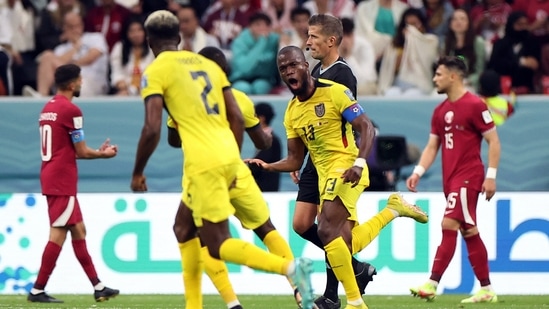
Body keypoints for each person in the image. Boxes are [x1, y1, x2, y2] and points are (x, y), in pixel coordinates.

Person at [129, 10, 314, 309]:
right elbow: (238, 118)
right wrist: (234, 155)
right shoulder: (207, 66)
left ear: (149, 41)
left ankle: (291, 269)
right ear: (179, 38)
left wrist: (138, 171)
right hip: (232, 159)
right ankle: (197, 305)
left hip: (203, 165)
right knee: (185, 228)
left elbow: (153, 130)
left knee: (215, 243)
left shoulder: (157, 71)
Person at [247, 46, 429, 309]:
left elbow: (366, 127)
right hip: (323, 175)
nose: (289, 72)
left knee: (326, 230)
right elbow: (296, 159)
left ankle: (354, 302)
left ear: (305, 66)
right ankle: (392, 210)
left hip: (347, 167)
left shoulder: (334, 91)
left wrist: (359, 162)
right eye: (283, 69)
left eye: (293, 65)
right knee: (343, 241)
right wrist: (267, 166)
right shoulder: (291, 112)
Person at [169, 46, 301, 309]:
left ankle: (231, 301)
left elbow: (173, 140)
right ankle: (298, 289)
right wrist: (265, 136)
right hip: (236, 171)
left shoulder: (186, 99)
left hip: (203, 171)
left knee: (202, 237)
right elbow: (261, 142)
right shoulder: (240, 98)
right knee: (265, 228)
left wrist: (177, 119)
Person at [407, 56, 501, 304]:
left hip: (469, 176)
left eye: (438, 74)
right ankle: (486, 289)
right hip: (450, 180)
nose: (434, 79)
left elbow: (494, 141)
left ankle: (432, 282)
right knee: (469, 230)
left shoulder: (475, 105)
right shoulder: (440, 111)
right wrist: (418, 171)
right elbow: (431, 146)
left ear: (453, 76)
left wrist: (490, 176)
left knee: (448, 224)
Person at [297, 13, 373, 309]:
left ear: (331, 40)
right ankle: (355, 267)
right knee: (303, 224)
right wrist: (300, 159)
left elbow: (346, 123)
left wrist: (357, 163)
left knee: (331, 228)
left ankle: (331, 296)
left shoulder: (343, 75)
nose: (307, 42)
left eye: (313, 36)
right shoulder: (317, 70)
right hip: (314, 159)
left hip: (337, 159)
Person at [29, 64, 119, 303]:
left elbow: (69, 150)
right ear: (71, 84)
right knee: (58, 234)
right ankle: (38, 290)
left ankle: (98, 286)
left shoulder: (47, 108)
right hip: (61, 179)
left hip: (52, 174)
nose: (81, 84)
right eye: (79, 80)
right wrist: (103, 154)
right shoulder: (72, 110)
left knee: (78, 230)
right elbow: (81, 151)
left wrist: (94, 151)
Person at [250, 102, 282, 192]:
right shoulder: (271, 139)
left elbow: (259, 164)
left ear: (261, 118)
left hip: (266, 189)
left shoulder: (270, 140)